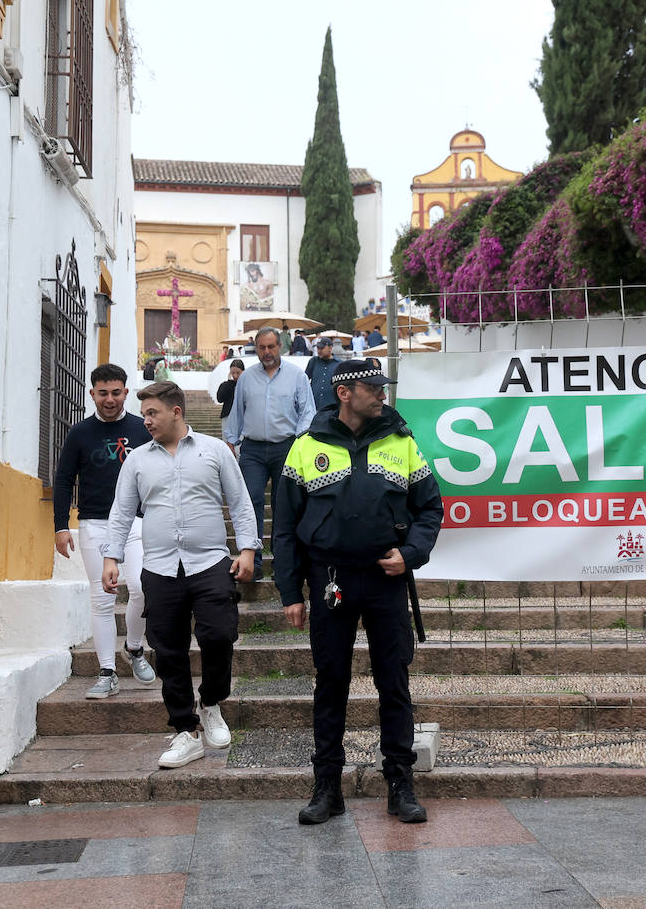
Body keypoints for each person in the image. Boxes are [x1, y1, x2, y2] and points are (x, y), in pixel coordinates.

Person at [274, 360, 444, 825]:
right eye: (373, 388)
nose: (382, 395)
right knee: (331, 683)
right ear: (344, 392)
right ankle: (327, 787)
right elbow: (285, 527)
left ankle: (400, 785)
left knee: (394, 682)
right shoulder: (306, 446)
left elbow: (430, 508)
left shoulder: (402, 442)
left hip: (385, 581)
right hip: (330, 580)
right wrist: (290, 591)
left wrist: (410, 554)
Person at [103, 381, 260, 768]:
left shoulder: (214, 451)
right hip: (159, 567)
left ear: (176, 411)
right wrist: (112, 557)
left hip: (210, 563)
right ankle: (185, 732)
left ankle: (211, 702)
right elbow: (121, 512)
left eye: (152, 413)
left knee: (219, 635)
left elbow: (240, 501)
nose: (146, 420)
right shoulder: (137, 460)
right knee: (169, 651)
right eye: (144, 414)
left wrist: (247, 549)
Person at [53, 364, 156, 699]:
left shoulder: (142, 429)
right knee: (102, 598)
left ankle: (135, 648)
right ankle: (107, 672)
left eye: (115, 393)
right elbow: (64, 479)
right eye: (102, 393)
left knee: (141, 587)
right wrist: (60, 526)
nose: (109, 399)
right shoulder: (79, 433)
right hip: (94, 523)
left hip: (137, 522)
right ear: (92, 394)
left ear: (125, 392)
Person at [225, 326, 315, 579]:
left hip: (286, 447)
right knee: (250, 501)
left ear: (280, 347)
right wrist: (231, 441)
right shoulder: (246, 378)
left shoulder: (296, 376)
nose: (266, 352)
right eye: (262, 347)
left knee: (283, 505)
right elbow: (237, 412)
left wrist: (299, 442)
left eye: (271, 347)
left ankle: (282, 563)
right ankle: (252, 562)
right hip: (253, 450)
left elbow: (307, 412)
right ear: (256, 348)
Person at [304, 337, 341, 410]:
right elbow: (304, 380)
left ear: (330, 348)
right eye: (318, 348)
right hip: (314, 406)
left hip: (332, 408)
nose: (319, 350)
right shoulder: (313, 361)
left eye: (322, 348)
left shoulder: (339, 364)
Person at [217, 358, 246, 450]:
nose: (235, 375)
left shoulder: (247, 385)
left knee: (240, 444)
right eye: (233, 373)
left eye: (238, 373)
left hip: (242, 417)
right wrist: (230, 383)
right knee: (227, 443)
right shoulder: (226, 385)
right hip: (228, 416)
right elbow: (220, 398)